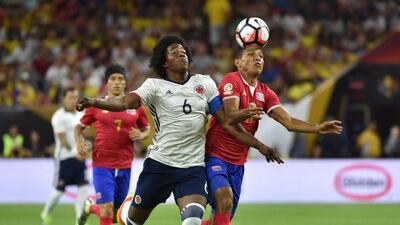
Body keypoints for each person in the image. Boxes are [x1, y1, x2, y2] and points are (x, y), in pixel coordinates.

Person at [75, 35, 282, 225]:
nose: (181, 53)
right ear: (164, 62)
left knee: (192, 221)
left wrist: (259, 146)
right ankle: (127, 208)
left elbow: (227, 122)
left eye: (183, 51)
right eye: (174, 52)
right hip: (160, 166)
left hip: (192, 168)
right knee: (131, 221)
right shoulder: (153, 86)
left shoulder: (204, 83)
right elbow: (124, 103)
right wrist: (94, 101)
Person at [203, 47, 343, 225]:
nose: (257, 58)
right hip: (216, 156)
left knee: (221, 217)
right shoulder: (232, 80)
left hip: (238, 162)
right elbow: (229, 117)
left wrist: (317, 128)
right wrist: (248, 114)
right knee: (225, 198)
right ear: (238, 62)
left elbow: (289, 122)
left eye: (260, 56)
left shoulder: (265, 92)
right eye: (251, 56)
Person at [75, 65, 150, 225]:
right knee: (107, 209)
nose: (117, 82)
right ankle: (97, 208)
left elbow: (146, 128)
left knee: (116, 213)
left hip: (124, 165)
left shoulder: (135, 106)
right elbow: (79, 127)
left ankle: (89, 207)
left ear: (125, 83)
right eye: (113, 79)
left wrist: (141, 134)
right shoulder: (97, 105)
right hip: (102, 165)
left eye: (120, 79)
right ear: (107, 83)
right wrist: (79, 142)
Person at [41, 87, 88, 225]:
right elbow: (63, 141)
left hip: (78, 156)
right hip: (64, 158)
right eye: (70, 97)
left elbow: (83, 135)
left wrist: (84, 148)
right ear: (64, 99)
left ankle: (79, 220)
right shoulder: (58, 116)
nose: (74, 100)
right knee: (59, 190)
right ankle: (45, 213)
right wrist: (76, 151)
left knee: (83, 186)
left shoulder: (82, 114)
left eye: (75, 97)